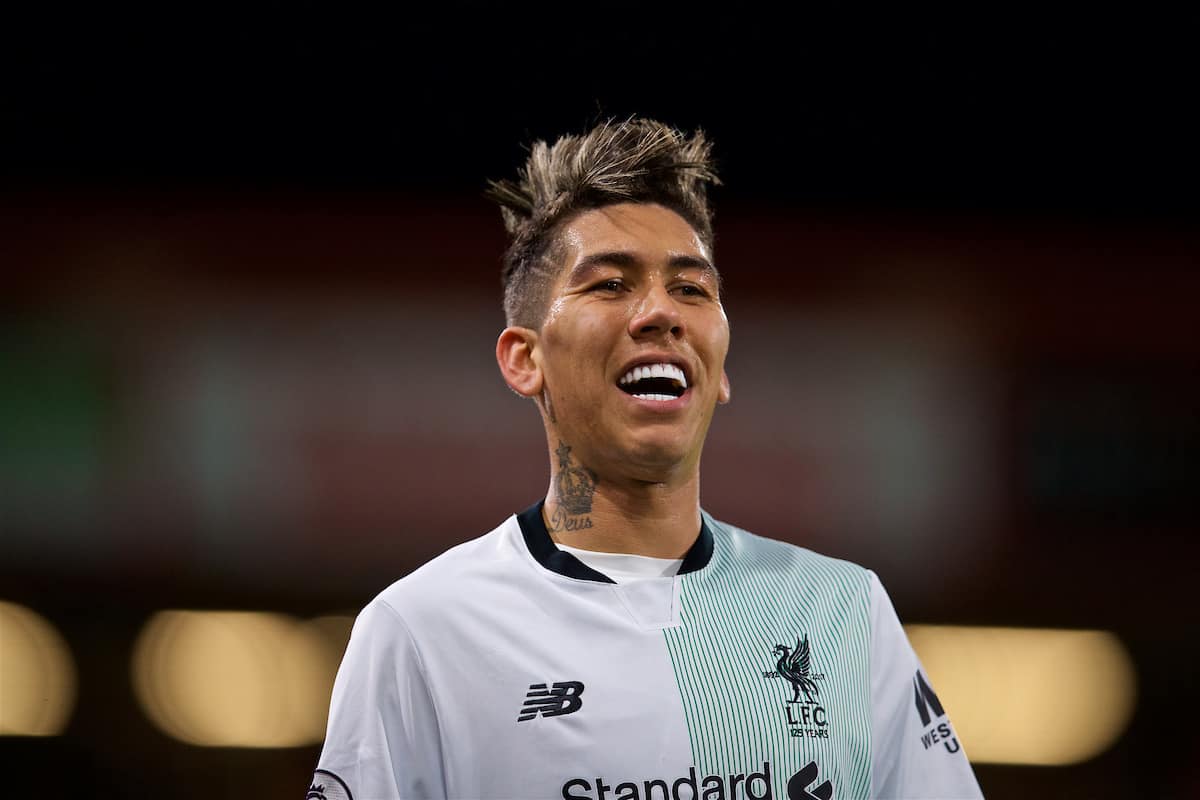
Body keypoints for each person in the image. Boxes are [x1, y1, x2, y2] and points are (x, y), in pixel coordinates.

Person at [308, 119, 983, 800]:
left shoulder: (842, 614)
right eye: (609, 285)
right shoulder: (424, 631)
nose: (661, 313)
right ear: (525, 358)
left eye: (691, 290)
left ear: (719, 368)